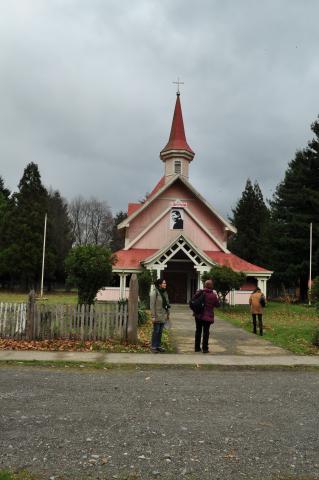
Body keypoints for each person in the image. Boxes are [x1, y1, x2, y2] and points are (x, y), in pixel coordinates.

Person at [193, 279, 220, 353]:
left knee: (198, 331)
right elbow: (218, 305)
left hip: (198, 315)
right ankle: (205, 348)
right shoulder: (213, 295)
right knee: (206, 332)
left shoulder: (199, 292)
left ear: (205, 285)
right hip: (207, 317)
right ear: (211, 286)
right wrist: (217, 296)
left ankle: (197, 348)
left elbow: (193, 300)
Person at [150, 278, 170, 353]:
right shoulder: (155, 292)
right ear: (159, 284)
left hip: (163, 315)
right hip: (157, 315)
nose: (165, 284)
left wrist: (168, 313)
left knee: (160, 331)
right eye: (164, 283)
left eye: (165, 283)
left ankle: (158, 346)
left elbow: (167, 303)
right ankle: (153, 346)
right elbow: (152, 305)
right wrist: (153, 316)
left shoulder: (164, 292)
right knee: (156, 331)